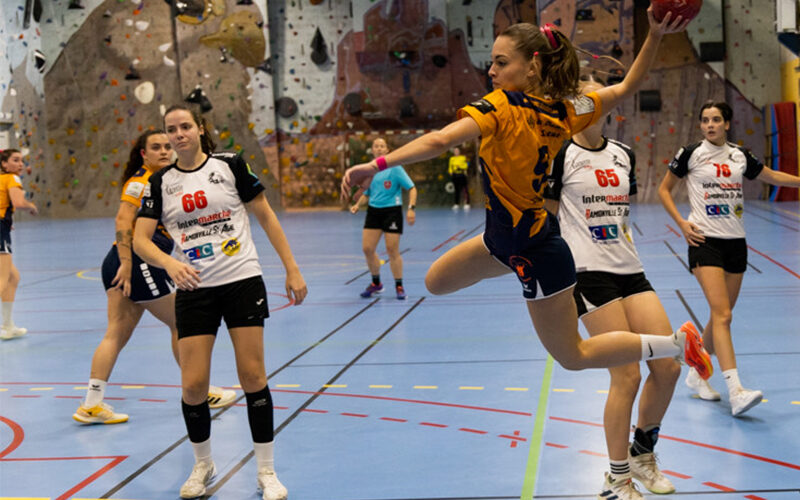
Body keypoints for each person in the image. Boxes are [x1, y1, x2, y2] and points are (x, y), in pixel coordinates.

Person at [342, 12, 712, 417]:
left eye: (502, 62)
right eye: (492, 62)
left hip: (536, 251)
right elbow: (627, 86)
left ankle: (675, 344)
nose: (492, 70)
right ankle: (513, 262)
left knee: (573, 355)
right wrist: (655, 35)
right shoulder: (565, 109)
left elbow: (441, 140)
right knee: (435, 282)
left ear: (532, 66)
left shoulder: (502, 106)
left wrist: (375, 164)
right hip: (501, 240)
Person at [134, 105, 307, 500]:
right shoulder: (160, 182)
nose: (178, 134)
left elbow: (266, 216)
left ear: (200, 129)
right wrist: (169, 264)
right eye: (171, 129)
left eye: (185, 126)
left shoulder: (229, 164)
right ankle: (203, 464)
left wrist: (292, 268)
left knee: (253, 376)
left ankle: (266, 470)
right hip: (195, 289)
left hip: (241, 280)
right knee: (193, 385)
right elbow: (140, 240)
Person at [543, 80, 680, 499]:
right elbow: (547, 221)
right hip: (588, 273)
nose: (593, 103)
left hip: (630, 269)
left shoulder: (623, 153)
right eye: (584, 98)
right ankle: (617, 478)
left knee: (669, 366)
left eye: (600, 97)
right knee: (626, 374)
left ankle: (642, 453)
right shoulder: (560, 154)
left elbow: (621, 214)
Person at [73, 131, 236, 425]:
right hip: (134, 263)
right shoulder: (141, 181)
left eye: (166, 146)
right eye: (156, 147)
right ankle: (200, 391)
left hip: (124, 263)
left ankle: (91, 404)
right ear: (143, 154)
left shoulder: (165, 180)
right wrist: (127, 263)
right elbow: (123, 220)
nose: (163, 151)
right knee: (181, 322)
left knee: (116, 333)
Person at [658, 101, 800, 416]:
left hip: (736, 243)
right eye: (705, 120)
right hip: (704, 241)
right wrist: (681, 223)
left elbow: (772, 176)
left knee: (721, 315)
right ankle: (736, 391)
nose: (710, 125)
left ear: (726, 124)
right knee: (723, 315)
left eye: (716, 119)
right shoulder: (691, 154)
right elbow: (664, 190)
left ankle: (697, 373)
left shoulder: (739, 155)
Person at [349, 137, 417, 300]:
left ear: (387, 150)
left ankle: (399, 285)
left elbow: (412, 188)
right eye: (376, 146)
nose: (379, 148)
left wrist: (411, 208)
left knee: (392, 249)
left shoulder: (395, 168)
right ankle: (376, 283)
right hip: (374, 212)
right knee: (367, 249)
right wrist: (358, 205)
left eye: (382, 146)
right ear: (372, 150)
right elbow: (367, 193)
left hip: (392, 211)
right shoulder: (369, 170)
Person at [0, 149, 37, 340]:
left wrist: (7, 222)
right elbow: (19, 202)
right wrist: (31, 206)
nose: (20, 164)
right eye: (15, 160)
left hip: (3, 227)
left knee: (13, 277)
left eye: (22, 160)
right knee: (3, 279)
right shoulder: (12, 178)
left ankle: (8, 326)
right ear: (4, 164)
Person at [448, 146, 470, 211]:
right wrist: (451, 172)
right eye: (455, 151)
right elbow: (450, 167)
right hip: (455, 175)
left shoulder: (463, 157)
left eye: (457, 151)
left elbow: (466, 165)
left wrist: (460, 166)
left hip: (462, 174)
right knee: (457, 190)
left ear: (459, 151)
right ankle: (456, 204)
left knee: (465, 189)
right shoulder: (452, 159)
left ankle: (467, 203)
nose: (456, 152)